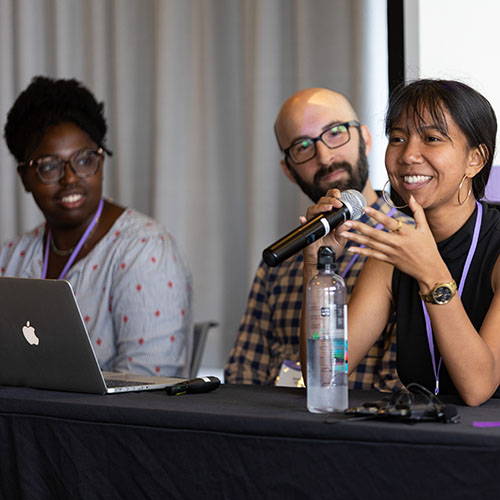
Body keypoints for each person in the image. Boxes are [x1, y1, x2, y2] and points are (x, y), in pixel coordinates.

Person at [300, 79, 500, 406]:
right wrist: (316, 263)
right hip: (422, 440)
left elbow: (478, 388)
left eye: (432, 139)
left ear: (475, 159)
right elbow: (324, 375)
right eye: (397, 138)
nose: (408, 155)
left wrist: (431, 273)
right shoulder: (393, 252)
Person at [0, 76, 193, 377]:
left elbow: (148, 382)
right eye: (49, 165)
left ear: (101, 163)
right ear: (25, 177)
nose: (70, 178)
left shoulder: (145, 250)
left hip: (109, 425)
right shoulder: (11, 256)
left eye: (84, 160)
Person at [225, 88, 413, 389]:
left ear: (365, 138)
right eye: (302, 146)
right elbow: (243, 375)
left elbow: (406, 387)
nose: (325, 156)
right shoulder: (284, 258)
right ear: (289, 170)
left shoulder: (408, 242)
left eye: (336, 133)